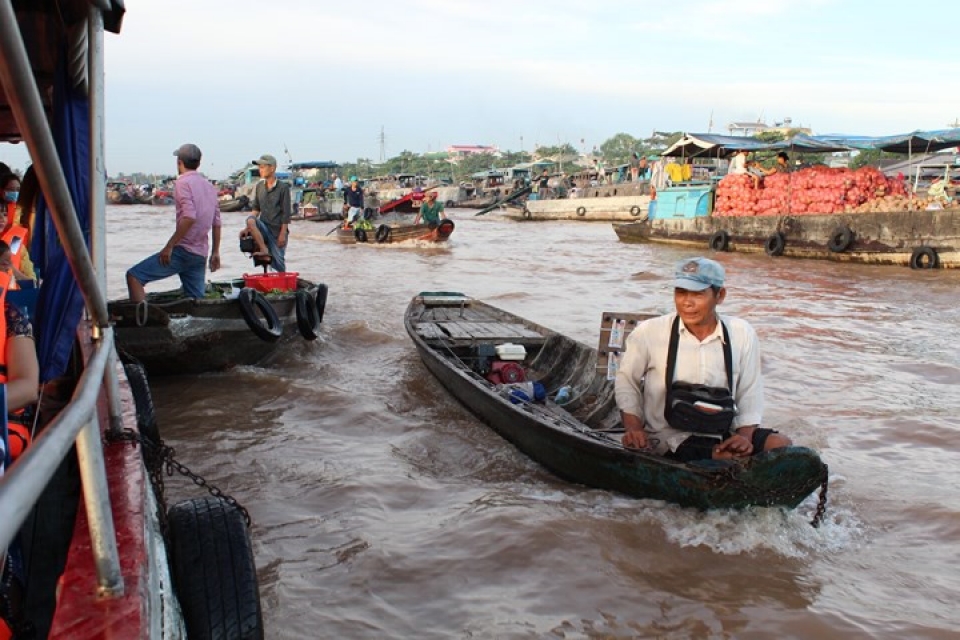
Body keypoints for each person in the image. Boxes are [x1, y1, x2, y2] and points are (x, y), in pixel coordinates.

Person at [614, 257, 792, 462]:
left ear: (720, 295)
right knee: (723, 459)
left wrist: (744, 437)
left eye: (698, 294)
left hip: (722, 431)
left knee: (781, 445)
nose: (687, 302)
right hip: (670, 437)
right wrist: (634, 429)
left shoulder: (741, 333)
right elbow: (627, 381)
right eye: (680, 292)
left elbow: (750, 390)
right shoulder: (649, 332)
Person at [126, 144, 221, 302]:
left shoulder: (182, 183)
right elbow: (216, 222)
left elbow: (189, 217)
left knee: (134, 276)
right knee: (196, 301)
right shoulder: (209, 186)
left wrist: (169, 246)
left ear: (179, 162)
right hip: (200, 254)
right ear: (198, 163)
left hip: (182, 251)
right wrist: (215, 252)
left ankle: (142, 322)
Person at [242, 153, 291, 272]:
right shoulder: (259, 187)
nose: (260, 170)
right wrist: (248, 227)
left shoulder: (282, 188)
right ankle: (263, 249)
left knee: (278, 265)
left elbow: (286, 214)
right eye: (259, 167)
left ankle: (281, 285)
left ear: (272, 168)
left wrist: (282, 234)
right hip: (263, 228)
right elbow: (256, 209)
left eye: (262, 167)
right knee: (249, 219)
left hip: (277, 231)